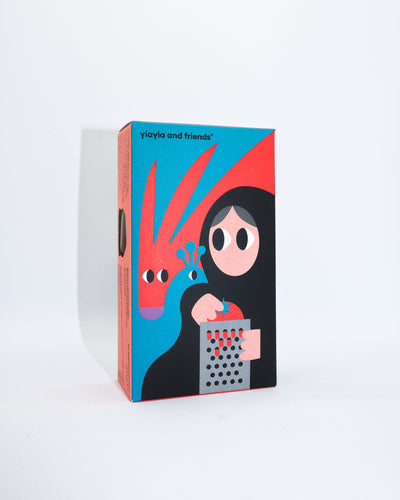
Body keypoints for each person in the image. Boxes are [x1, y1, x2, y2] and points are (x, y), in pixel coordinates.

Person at [141, 187, 276, 400]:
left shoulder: (263, 297)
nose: (230, 250)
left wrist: (261, 347)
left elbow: (266, 347)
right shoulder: (205, 286)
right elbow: (191, 292)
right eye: (219, 239)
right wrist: (194, 304)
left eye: (243, 239)